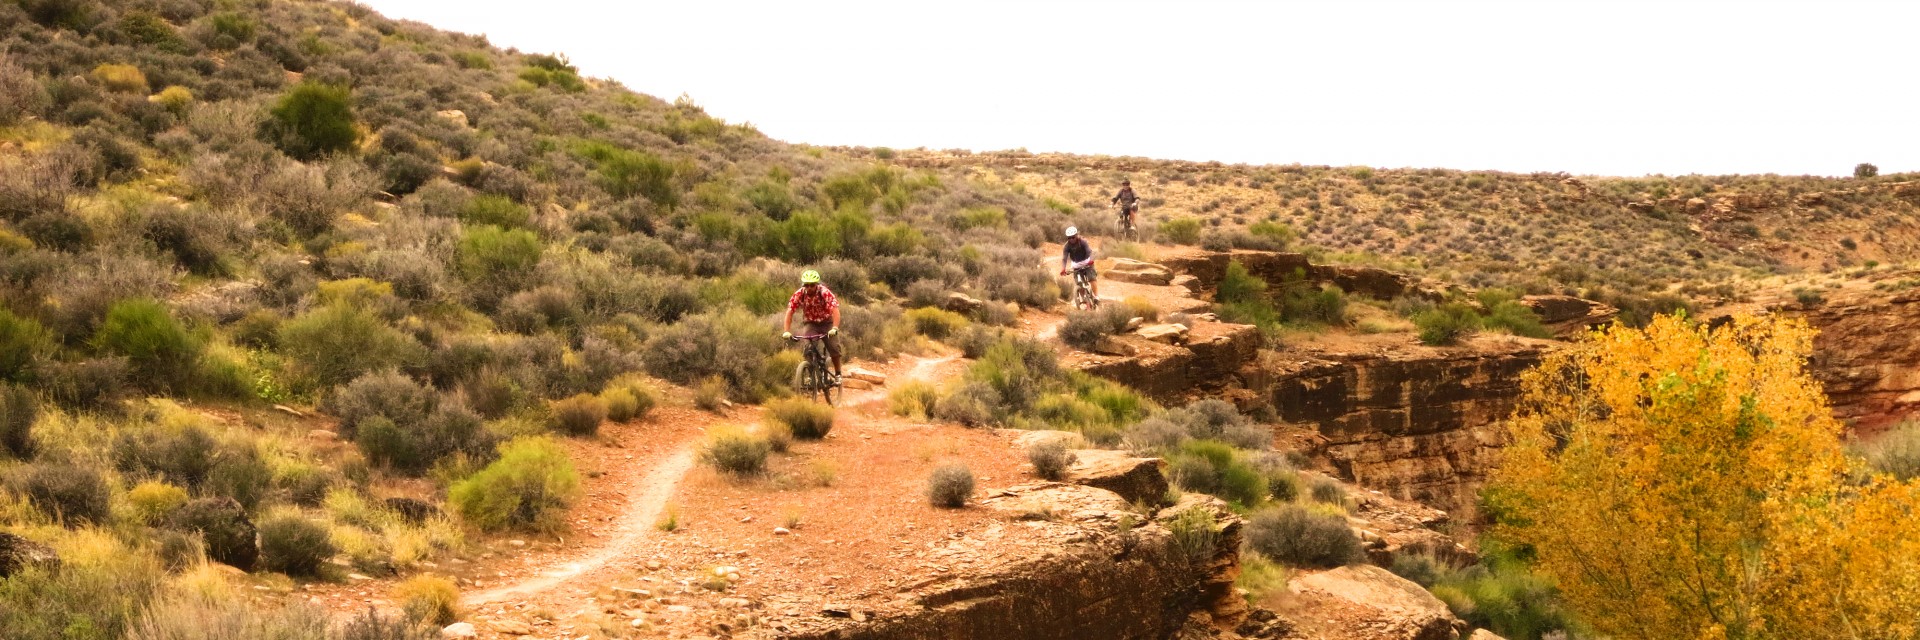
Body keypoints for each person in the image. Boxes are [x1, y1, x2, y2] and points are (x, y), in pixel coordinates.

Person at [781, 269, 843, 381]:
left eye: (812, 285)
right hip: (811, 323)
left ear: (817, 284)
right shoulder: (799, 294)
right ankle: (811, 375)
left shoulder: (824, 292)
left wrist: (835, 327)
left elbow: (835, 310)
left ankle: (838, 373)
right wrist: (786, 331)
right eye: (806, 285)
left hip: (826, 322)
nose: (809, 287)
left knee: (834, 348)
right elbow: (790, 311)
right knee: (808, 348)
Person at [1059, 226, 1097, 298]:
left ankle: (1096, 297)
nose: (1071, 239)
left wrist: (1091, 260)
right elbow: (1064, 258)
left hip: (1087, 262)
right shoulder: (1066, 246)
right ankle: (1085, 301)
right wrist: (1063, 269)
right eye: (1069, 238)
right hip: (1076, 265)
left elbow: (1089, 251)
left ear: (1076, 235)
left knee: (1092, 278)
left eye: (1073, 237)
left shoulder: (1083, 242)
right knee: (1079, 284)